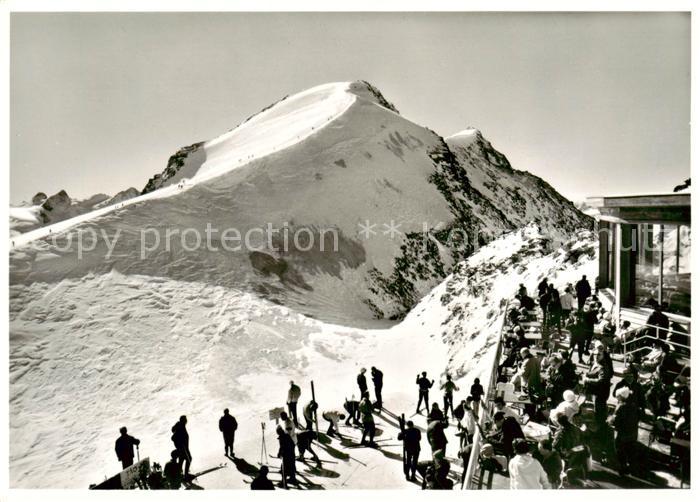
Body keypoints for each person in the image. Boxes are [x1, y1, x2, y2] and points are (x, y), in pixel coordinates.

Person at [609, 387, 639, 476]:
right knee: (630, 450)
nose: (617, 398)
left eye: (618, 396)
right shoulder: (633, 405)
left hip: (622, 433)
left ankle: (622, 468)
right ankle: (632, 468)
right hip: (632, 432)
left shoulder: (621, 406)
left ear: (621, 397)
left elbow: (615, 420)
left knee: (619, 450)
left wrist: (610, 420)